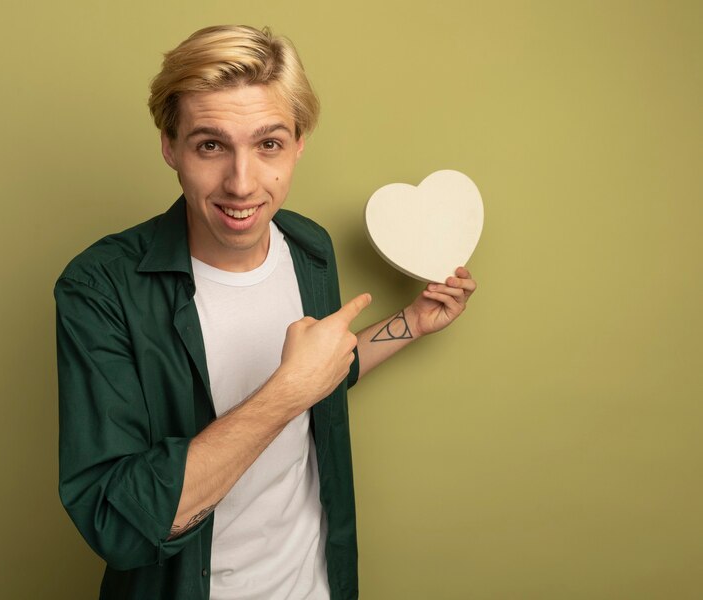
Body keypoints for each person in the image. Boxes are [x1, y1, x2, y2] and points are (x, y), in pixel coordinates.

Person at [54, 25, 477, 600]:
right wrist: (286, 392)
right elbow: (119, 525)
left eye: (269, 144)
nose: (242, 183)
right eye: (210, 145)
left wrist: (412, 323)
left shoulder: (309, 247)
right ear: (170, 145)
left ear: (300, 142)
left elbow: (323, 371)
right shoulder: (100, 287)